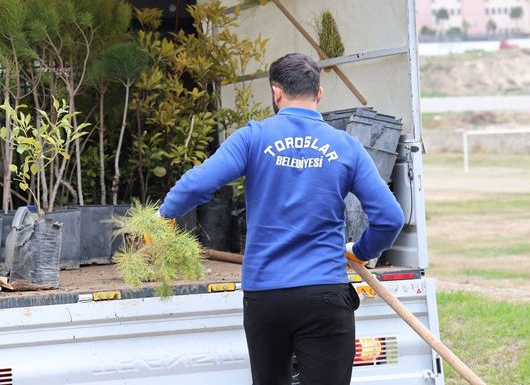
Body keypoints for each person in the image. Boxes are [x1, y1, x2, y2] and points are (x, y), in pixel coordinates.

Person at [159, 53, 404, 385]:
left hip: (266, 296)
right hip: (324, 294)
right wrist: (361, 251)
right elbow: (390, 218)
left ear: (276, 92)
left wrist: (165, 216)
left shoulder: (252, 138)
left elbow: (198, 183)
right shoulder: (346, 146)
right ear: (318, 94)